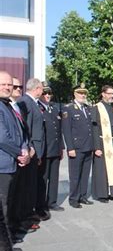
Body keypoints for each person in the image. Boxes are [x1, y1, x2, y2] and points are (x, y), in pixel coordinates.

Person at [0, 70, 29, 251]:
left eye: (9, 84)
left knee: (7, 208)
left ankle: (6, 248)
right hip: (3, 166)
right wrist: (20, 152)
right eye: (3, 84)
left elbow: (20, 131)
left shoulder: (8, 105)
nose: (7, 87)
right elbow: (2, 137)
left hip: (13, 162)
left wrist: (25, 148)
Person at [16, 78, 45, 223]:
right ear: (36, 89)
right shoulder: (25, 102)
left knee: (33, 183)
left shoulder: (33, 102)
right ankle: (26, 214)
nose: (43, 91)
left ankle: (30, 211)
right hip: (31, 150)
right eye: (41, 88)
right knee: (28, 184)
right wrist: (31, 148)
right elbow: (26, 128)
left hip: (35, 149)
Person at [62, 83, 94, 208]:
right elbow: (66, 130)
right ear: (74, 94)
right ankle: (74, 198)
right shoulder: (68, 108)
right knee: (75, 175)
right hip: (76, 147)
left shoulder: (87, 108)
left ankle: (83, 196)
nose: (83, 95)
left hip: (87, 146)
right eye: (80, 93)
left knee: (85, 174)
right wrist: (70, 148)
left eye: (84, 93)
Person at [91, 85, 113, 202]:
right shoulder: (97, 108)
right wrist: (96, 147)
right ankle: (102, 194)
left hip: (112, 141)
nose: (112, 96)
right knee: (102, 169)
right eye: (109, 94)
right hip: (102, 142)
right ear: (103, 94)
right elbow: (94, 129)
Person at [37, 83, 64, 212]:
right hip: (45, 150)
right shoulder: (37, 108)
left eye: (49, 93)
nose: (47, 96)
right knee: (43, 179)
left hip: (56, 149)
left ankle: (52, 202)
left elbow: (59, 130)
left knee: (54, 178)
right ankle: (41, 205)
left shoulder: (54, 108)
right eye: (45, 93)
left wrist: (61, 148)